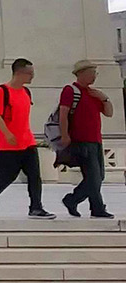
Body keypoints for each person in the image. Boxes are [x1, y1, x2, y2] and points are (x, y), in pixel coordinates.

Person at [0, 59, 56, 219]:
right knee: (7, 177)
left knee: (35, 176)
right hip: (7, 144)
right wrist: (7, 134)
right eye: (30, 73)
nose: (32, 77)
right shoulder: (2, 91)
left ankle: (36, 207)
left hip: (27, 141)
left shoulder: (26, 92)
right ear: (19, 73)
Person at [59, 59, 114, 218]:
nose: (94, 76)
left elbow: (109, 113)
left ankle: (73, 199)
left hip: (96, 140)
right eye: (91, 73)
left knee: (98, 176)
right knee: (94, 177)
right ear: (81, 74)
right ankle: (97, 209)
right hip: (81, 141)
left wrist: (104, 98)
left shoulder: (93, 93)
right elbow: (63, 113)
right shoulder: (71, 90)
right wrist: (64, 135)